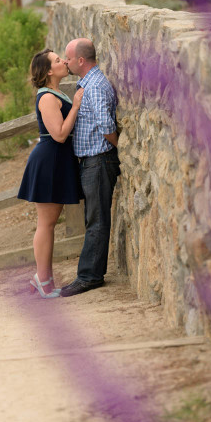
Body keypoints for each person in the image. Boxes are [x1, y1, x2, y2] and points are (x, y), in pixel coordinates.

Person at [17, 48, 85, 299]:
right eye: (58, 61)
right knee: (46, 224)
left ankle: (43, 279)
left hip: (57, 159)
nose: (64, 62)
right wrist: (76, 105)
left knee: (50, 224)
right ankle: (43, 280)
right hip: (49, 160)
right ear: (47, 71)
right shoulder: (46, 97)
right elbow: (59, 134)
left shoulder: (55, 92)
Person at [60, 38, 120, 298]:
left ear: (81, 61)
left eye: (69, 58)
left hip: (98, 160)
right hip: (93, 162)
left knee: (96, 220)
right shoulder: (90, 82)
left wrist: (118, 150)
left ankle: (89, 277)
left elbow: (107, 126)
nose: (66, 62)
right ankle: (90, 273)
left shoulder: (93, 87)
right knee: (93, 218)